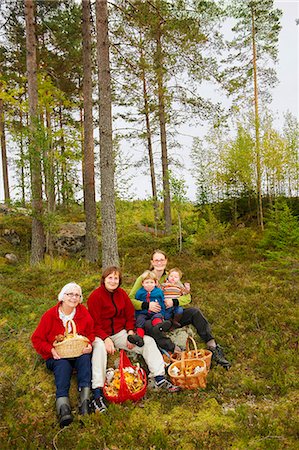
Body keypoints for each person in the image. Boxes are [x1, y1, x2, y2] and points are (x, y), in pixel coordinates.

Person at [87, 266, 180, 413]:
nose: (113, 281)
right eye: (110, 277)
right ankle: (97, 394)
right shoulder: (95, 296)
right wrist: (105, 339)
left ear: (119, 280)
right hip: (99, 334)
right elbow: (93, 323)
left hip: (119, 333)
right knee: (99, 351)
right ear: (104, 279)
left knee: (148, 341)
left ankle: (159, 376)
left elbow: (130, 315)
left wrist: (130, 332)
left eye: (116, 278)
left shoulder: (122, 295)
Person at [129, 250, 231, 369]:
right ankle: (175, 350)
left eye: (162, 260)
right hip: (153, 316)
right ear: (152, 262)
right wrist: (147, 305)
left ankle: (213, 347)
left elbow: (187, 297)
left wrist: (174, 301)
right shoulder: (144, 277)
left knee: (194, 312)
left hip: (171, 313)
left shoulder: (171, 276)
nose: (159, 262)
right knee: (151, 327)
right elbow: (130, 299)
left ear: (166, 261)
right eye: (156, 260)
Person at [31, 282, 94, 428]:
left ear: (80, 298)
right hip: (57, 356)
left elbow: (91, 332)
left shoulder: (83, 312)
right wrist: (50, 350)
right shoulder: (50, 315)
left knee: (85, 358)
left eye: (77, 295)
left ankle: (85, 399)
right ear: (62, 296)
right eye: (69, 294)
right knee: (62, 364)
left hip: (77, 352)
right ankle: (63, 404)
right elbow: (36, 339)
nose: (73, 298)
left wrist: (89, 344)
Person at [127, 270, 174, 348]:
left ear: (155, 283)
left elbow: (162, 304)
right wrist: (137, 314)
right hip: (143, 312)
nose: (149, 285)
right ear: (142, 283)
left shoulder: (158, 292)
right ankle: (139, 338)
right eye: (147, 282)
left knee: (157, 316)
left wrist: (162, 314)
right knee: (140, 320)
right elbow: (136, 304)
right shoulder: (139, 292)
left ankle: (159, 326)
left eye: (151, 282)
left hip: (156, 312)